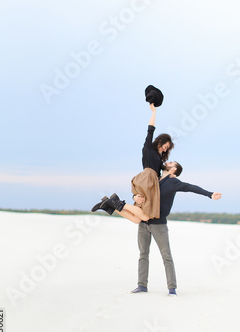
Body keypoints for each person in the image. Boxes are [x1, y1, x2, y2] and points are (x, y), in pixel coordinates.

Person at [100, 161, 222, 295]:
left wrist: (210, 194)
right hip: (143, 222)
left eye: (170, 163)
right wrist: (134, 196)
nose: (166, 162)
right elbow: (140, 193)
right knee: (143, 254)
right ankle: (142, 285)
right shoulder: (154, 179)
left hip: (159, 224)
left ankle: (172, 288)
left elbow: (191, 187)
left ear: (174, 169)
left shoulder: (173, 182)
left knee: (166, 256)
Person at [91, 103, 174, 222]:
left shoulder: (159, 159)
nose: (165, 149)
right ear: (160, 141)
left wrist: (171, 174)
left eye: (167, 149)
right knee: (145, 216)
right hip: (147, 178)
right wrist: (154, 112)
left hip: (149, 181)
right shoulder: (149, 148)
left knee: (137, 219)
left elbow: (163, 172)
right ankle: (116, 202)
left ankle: (110, 205)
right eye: (165, 146)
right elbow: (150, 129)